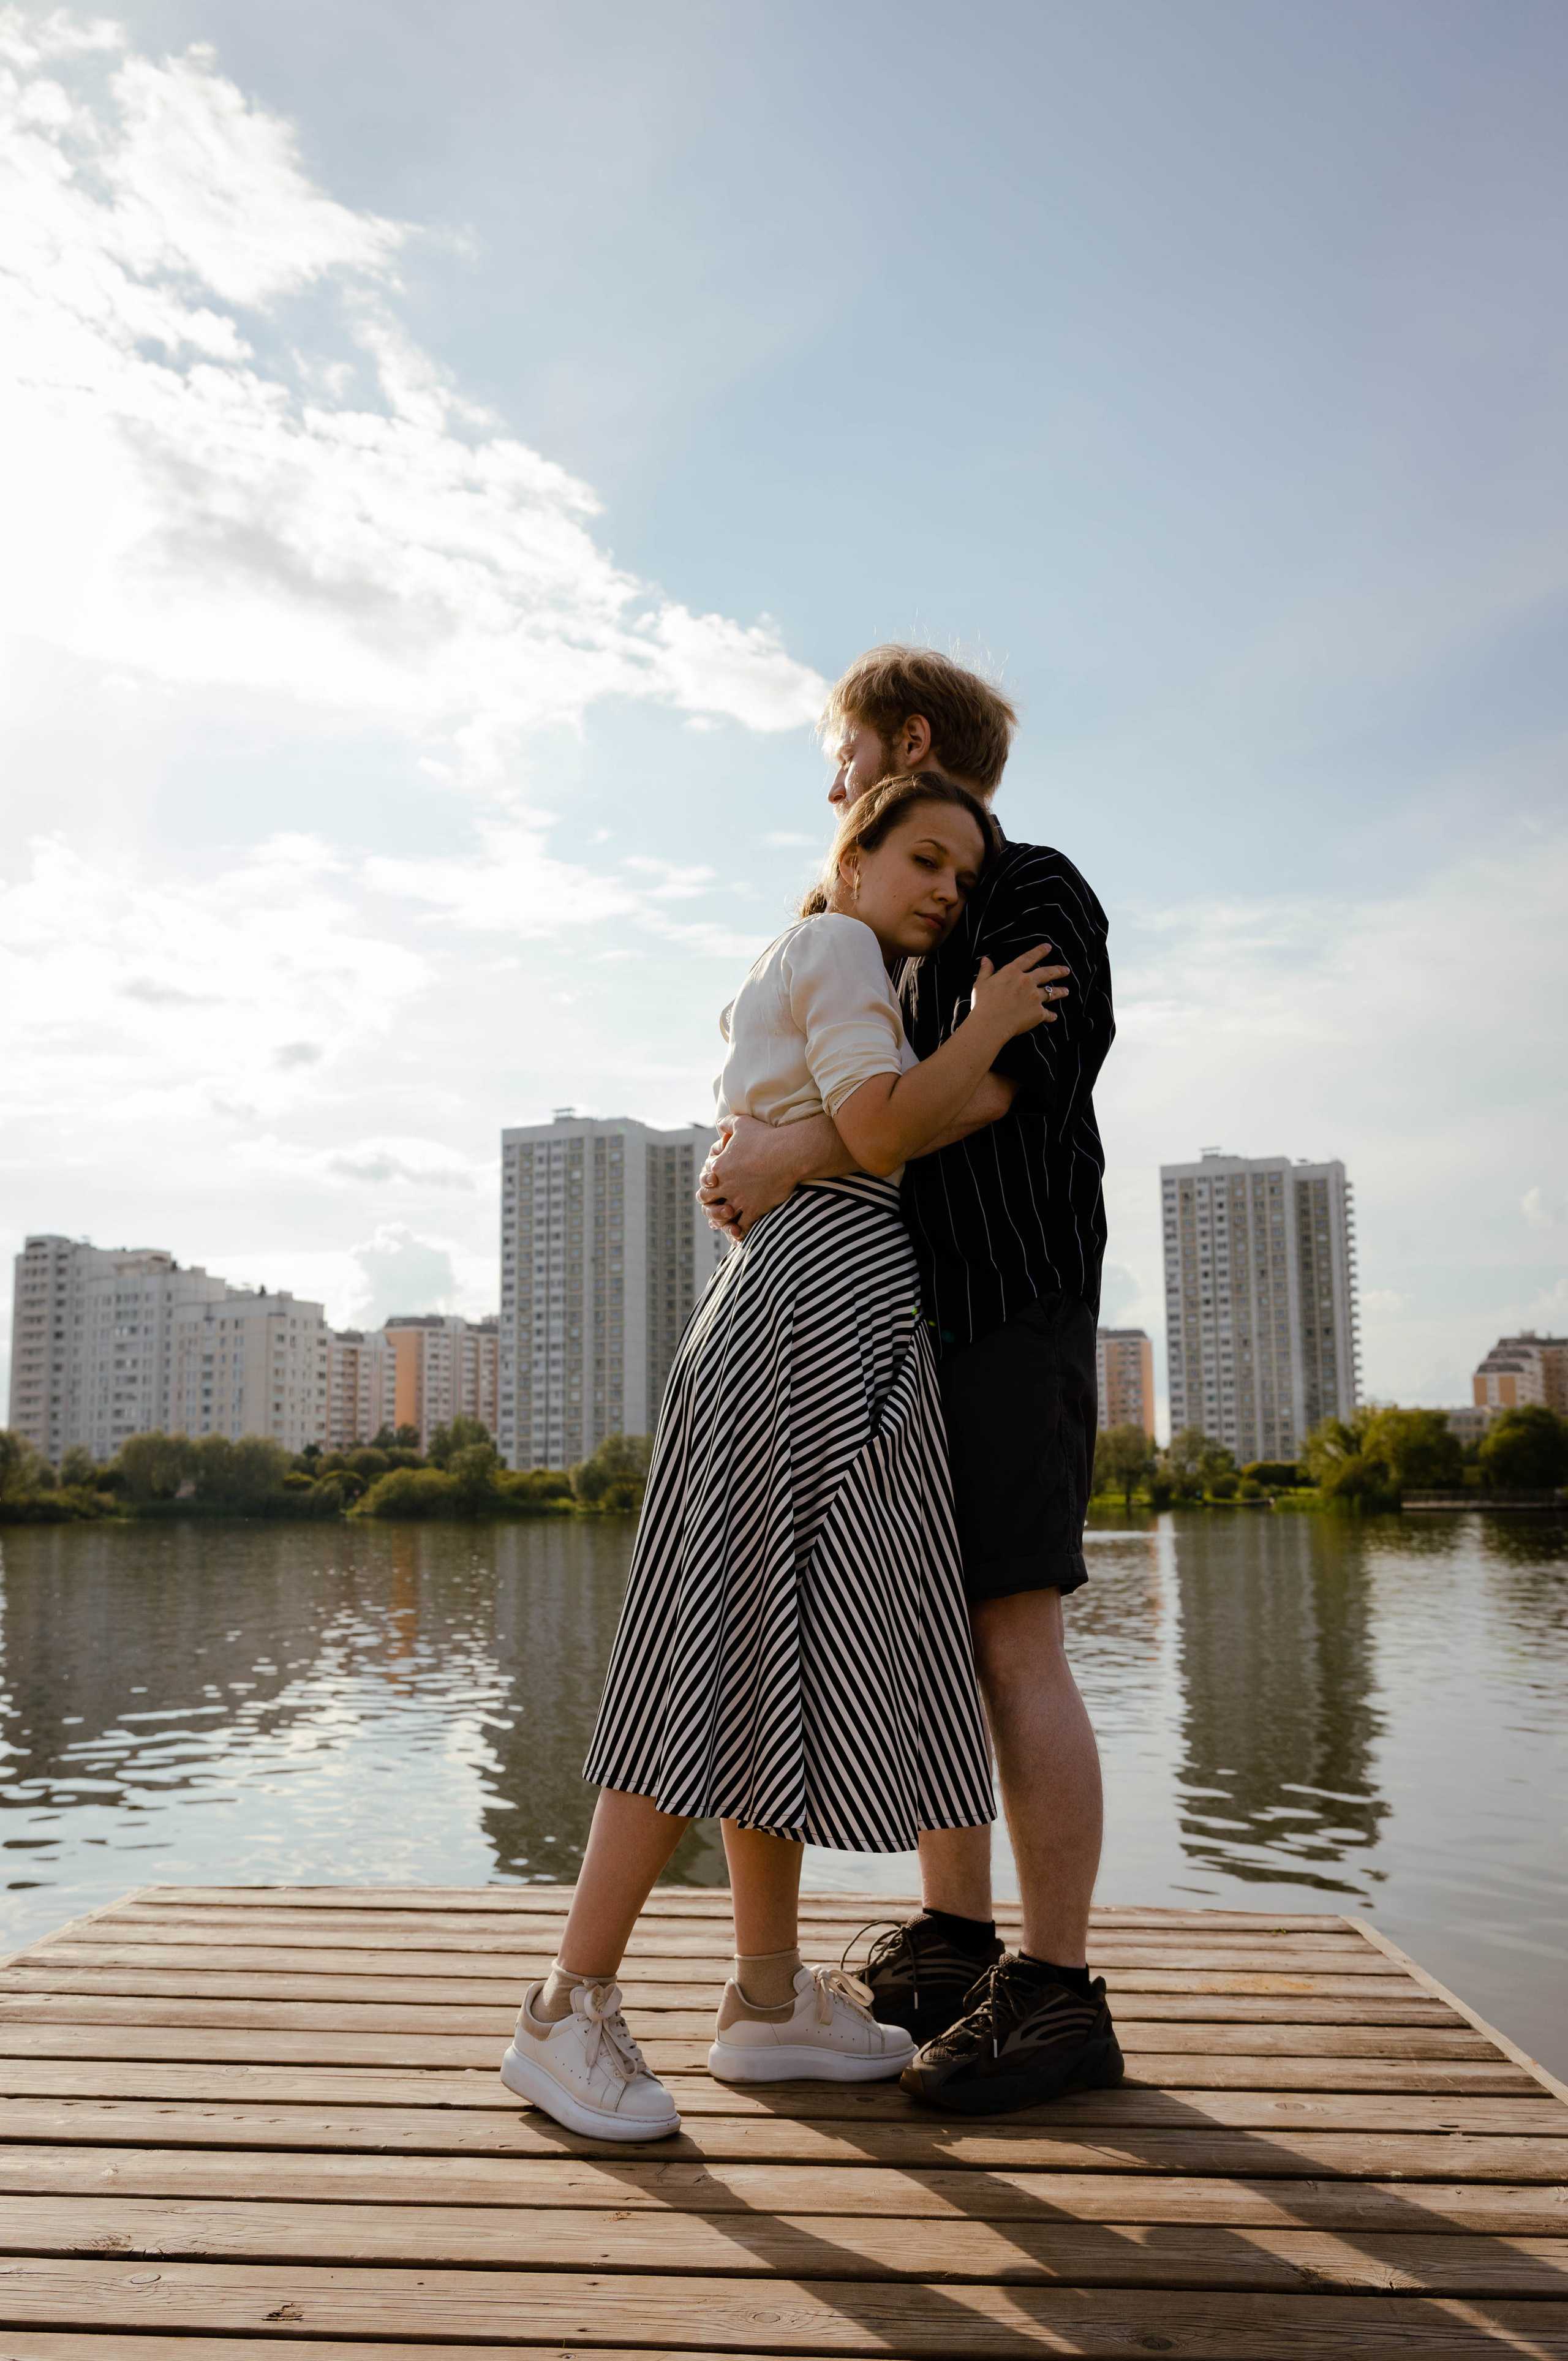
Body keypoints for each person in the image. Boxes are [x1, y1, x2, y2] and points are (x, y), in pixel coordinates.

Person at [499, 770, 1061, 2141]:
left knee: (768, 1651)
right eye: (920, 857)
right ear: (853, 854)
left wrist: (963, 1089)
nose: (941, 888)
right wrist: (987, 1044)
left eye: (958, 871)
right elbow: (877, 1130)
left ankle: (762, 1994)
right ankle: (564, 2007)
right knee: (707, 1650)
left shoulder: (816, 959)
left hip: (829, 1303)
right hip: (807, 1308)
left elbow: (854, 1129)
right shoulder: (836, 944)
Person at [699, 645, 1121, 2116]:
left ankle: (1058, 1997)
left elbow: (994, 1085)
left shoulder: (1033, 888)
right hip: (893, 1323)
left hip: (1008, 1308)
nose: (827, 783)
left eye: (841, 751)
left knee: (1013, 1633)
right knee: (937, 1638)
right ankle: (953, 1943)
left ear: (907, 738)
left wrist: (786, 1152)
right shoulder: (879, 934)